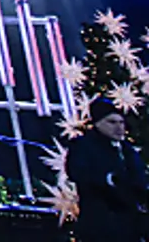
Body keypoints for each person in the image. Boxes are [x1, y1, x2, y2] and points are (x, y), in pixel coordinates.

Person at [66, 96, 149, 242]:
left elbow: (139, 177)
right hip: (100, 224)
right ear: (98, 124)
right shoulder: (83, 145)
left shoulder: (127, 149)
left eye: (121, 122)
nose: (119, 128)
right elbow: (77, 173)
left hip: (130, 225)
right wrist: (108, 179)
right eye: (112, 122)